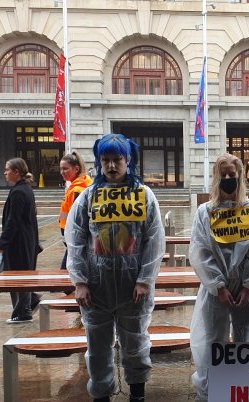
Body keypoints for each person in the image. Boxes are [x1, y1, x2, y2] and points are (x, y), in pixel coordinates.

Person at [65, 133, 165, 402]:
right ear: (99, 162)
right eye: (105, 160)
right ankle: (101, 394)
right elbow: (75, 240)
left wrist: (145, 279)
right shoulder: (88, 196)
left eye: (116, 160)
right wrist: (80, 281)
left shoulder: (143, 195)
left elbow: (154, 240)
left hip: (133, 287)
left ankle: (137, 393)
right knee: (97, 346)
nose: (111, 166)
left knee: (135, 343)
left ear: (128, 160)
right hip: (96, 288)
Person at [189, 153, 249, 401]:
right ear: (215, 178)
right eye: (222, 176)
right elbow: (200, 251)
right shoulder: (205, 212)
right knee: (213, 341)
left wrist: (247, 284)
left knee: (246, 341)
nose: (226, 180)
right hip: (215, 291)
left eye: (231, 176)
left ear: (240, 177)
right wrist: (218, 285)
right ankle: (213, 392)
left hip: (246, 288)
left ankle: (242, 390)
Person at [0, 158, 42, 324]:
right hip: (25, 241)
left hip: (19, 243)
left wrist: (2, 244)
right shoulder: (24, 189)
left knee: (16, 277)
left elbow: (13, 221)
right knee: (20, 275)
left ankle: (23, 313)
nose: (5, 173)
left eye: (7, 170)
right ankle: (31, 300)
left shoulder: (19, 192)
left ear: (16, 172)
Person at [59, 151, 92, 270]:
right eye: (61, 169)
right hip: (70, 233)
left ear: (76, 168)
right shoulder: (78, 185)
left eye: (65, 169)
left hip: (72, 233)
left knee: (70, 263)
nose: (62, 172)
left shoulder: (77, 189)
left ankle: (63, 284)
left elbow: (77, 218)